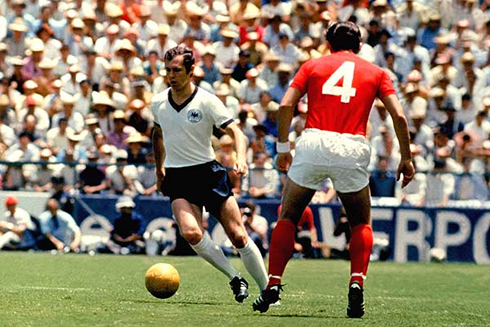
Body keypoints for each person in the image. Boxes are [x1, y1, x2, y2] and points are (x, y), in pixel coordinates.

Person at [252, 22, 414, 318]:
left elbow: (286, 106)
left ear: (328, 42)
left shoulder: (313, 65)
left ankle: (272, 283)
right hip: (351, 146)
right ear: (360, 45)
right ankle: (356, 283)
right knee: (360, 222)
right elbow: (400, 117)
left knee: (287, 215)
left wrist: (283, 149)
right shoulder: (377, 73)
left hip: (314, 140)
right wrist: (406, 157)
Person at [151, 46, 268, 303]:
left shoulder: (207, 100)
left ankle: (267, 289)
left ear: (191, 71)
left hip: (208, 174)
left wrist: (241, 158)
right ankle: (235, 278)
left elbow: (237, 133)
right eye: (168, 70)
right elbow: (157, 134)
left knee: (238, 235)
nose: (171, 75)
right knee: (191, 233)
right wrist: (160, 170)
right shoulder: (158, 102)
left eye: (177, 70)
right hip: (178, 177)